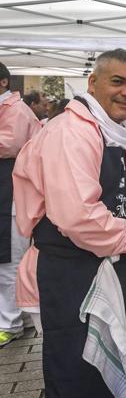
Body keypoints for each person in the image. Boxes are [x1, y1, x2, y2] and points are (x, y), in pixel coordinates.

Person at [13, 48, 126, 398]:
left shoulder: (101, 130)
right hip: (66, 276)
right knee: (74, 387)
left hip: (89, 268)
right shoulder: (72, 132)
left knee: (89, 388)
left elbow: (102, 209)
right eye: (118, 81)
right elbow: (78, 217)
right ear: (92, 83)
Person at [0, 62, 41, 346]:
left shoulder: (14, 110)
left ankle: (10, 323)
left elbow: (10, 144)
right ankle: (16, 315)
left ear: (3, 82)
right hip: (8, 194)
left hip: (13, 196)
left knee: (10, 261)